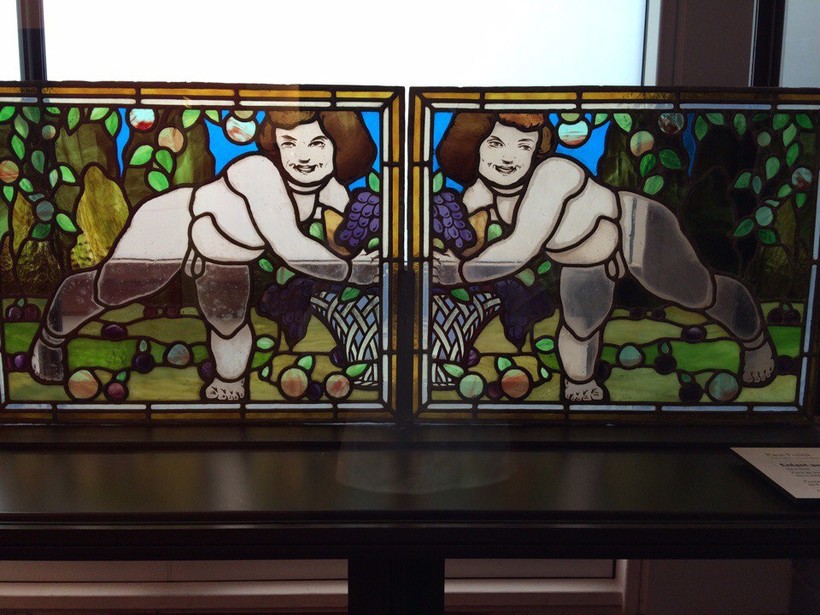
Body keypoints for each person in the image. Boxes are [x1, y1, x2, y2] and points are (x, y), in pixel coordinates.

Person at [30, 110, 379, 401]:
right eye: (289, 143)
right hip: (175, 223)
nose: (302, 156)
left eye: (316, 143)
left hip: (227, 251)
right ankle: (50, 339)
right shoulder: (258, 171)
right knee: (111, 289)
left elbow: (345, 239)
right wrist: (351, 272)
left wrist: (366, 257)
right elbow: (290, 247)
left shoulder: (331, 190)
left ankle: (228, 388)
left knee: (228, 320)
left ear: (341, 146)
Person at [433, 112, 776, 402]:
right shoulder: (479, 193)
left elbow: (520, 248)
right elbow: (462, 236)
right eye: (496, 143)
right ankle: (581, 389)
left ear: (537, 149)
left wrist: (459, 273)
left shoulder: (554, 173)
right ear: (472, 145)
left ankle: (756, 342)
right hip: (581, 257)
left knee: (699, 292)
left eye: (524, 145)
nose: (509, 157)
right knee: (580, 326)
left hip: (634, 227)